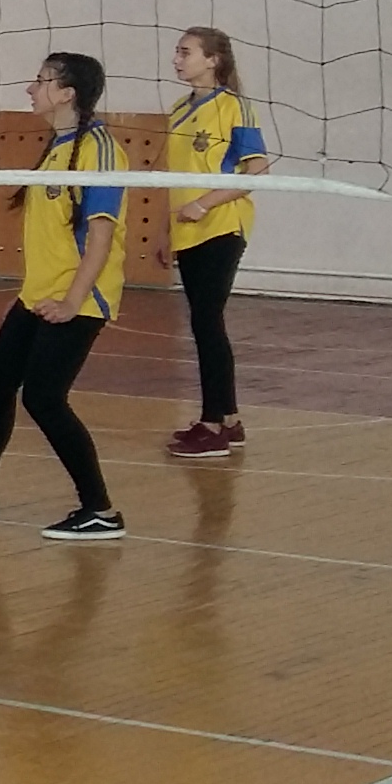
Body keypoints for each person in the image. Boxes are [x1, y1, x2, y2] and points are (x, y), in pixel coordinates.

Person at [0, 52, 130, 539]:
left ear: (67, 93)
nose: (31, 89)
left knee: (44, 397)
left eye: (41, 81)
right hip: (39, 295)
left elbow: (100, 239)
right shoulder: (60, 146)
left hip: (79, 298)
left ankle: (100, 510)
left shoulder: (98, 149)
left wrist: (73, 301)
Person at [161, 27, 273, 461]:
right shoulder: (178, 109)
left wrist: (205, 204)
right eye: (177, 52)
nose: (177, 59)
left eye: (185, 52)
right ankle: (229, 420)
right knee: (204, 322)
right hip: (188, 229)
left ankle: (212, 426)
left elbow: (257, 171)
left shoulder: (234, 106)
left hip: (222, 226)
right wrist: (168, 231)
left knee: (207, 322)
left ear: (213, 60)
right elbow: (176, 181)